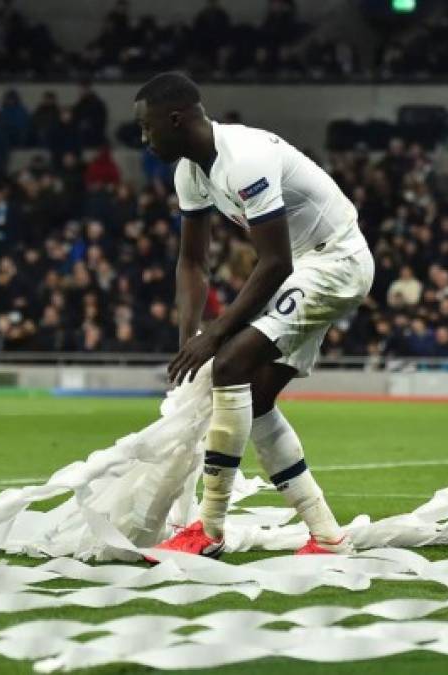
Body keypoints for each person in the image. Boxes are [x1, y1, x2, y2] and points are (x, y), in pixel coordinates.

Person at [134, 72, 374, 558]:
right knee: (256, 397)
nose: (144, 138)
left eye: (147, 127)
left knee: (231, 364)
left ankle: (210, 529)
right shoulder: (191, 172)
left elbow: (275, 262)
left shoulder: (244, 159)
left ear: (176, 119)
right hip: (306, 268)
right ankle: (327, 535)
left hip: (336, 260)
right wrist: (190, 341)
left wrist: (216, 335)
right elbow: (192, 262)